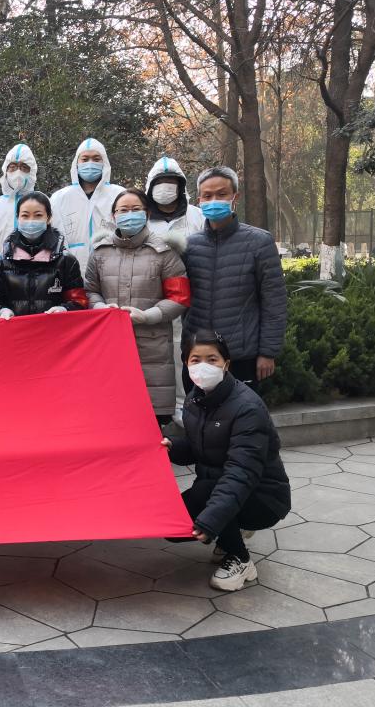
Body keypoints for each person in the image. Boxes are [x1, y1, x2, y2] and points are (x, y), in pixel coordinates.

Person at [162, 329, 291, 591]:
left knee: (208, 497)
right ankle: (229, 532)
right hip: (218, 486)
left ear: (226, 364)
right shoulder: (195, 399)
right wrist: (171, 447)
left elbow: (241, 473)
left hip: (263, 497)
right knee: (173, 529)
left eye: (212, 359)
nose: (204, 366)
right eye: (196, 360)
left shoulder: (247, 408)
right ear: (186, 364)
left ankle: (240, 560)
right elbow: (200, 448)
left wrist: (211, 520)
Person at [84, 189, 191, 425]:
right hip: (109, 342)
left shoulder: (165, 252)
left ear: (147, 214)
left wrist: (149, 316)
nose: (129, 215)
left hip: (153, 344)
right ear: (113, 216)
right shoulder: (100, 253)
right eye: (123, 210)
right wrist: (100, 307)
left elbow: (179, 297)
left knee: (152, 417)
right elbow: (90, 290)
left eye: (136, 209)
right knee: (112, 412)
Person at [182, 166, 287, 390]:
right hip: (198, 357)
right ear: (199, 200)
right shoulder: (190, 246)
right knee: (197, 412)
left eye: (222, 194)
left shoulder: (259, 242)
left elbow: (274, 302)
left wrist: (268, 352)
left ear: (235, 197)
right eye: (207, 196)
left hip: (242, 356)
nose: (214, 201)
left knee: (243, 412)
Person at [144, 156, 204, 426]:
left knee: (186, 351)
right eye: (160, 182)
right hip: (152, 297)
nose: (166, 187)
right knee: (156, 355)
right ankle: (157, 407)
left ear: (181, 185)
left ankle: (185, 404)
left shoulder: (197, 216)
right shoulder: (142, 218)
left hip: (191, 296)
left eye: (171, 181)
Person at [0, 192, 87, 318]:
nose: (31, 221)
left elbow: (79, 302)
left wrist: (64, 309)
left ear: (48, 218)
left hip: (55, 328)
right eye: (25, 215)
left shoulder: (66, 261)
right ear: (17, 218)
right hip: (16, 329)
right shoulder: (3, 262)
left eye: (38, 215)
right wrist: (1, 311)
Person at [51, 137, 125, 271]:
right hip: (71, 270)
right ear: (76, 163)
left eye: (96, 159)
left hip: (112, 270)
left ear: (104, 162)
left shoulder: (119, 195)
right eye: (85, 159)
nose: (90, 163)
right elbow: (54, 237)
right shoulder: (60, 198)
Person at [0, 143, 38, 276]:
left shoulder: (43, 206)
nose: (18, 172)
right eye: (13, 167)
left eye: (24, 167)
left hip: (34, 275)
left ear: (32, 172)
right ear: (5, 171)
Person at [144, 157, 205, 239]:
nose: (164, 187)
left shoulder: (199, 216)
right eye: (158, 182)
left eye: (170, 182)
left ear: (180, 187)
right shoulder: (142, 219)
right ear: (150, 187)